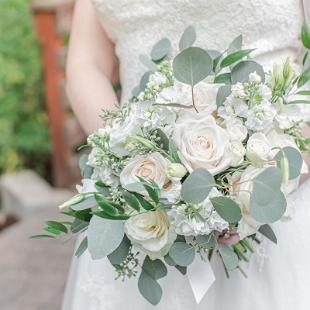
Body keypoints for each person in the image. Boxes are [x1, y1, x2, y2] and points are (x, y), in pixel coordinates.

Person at [63, 0, 310, 309]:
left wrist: (271, 174)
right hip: (141, 194)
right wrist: (130, 156)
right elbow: (85, 65)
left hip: (280, 182)